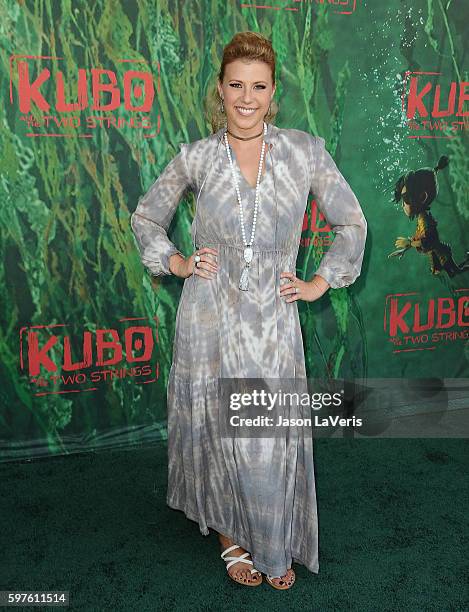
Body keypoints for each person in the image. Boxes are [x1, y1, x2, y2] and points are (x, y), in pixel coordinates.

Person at [130, 31, 367, 590]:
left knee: (262, 430)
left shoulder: (305, 151)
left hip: (273, 318)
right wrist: (178, 262)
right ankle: (230, 535)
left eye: (258, 86)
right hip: (210, 313)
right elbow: (146, 218)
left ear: (273, 91)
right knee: (219, 426)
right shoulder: (196, 156)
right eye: (235, 85)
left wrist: (320, 282)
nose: (246, 97)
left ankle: (269, 535)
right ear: (220, 89)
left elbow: (351, 221)